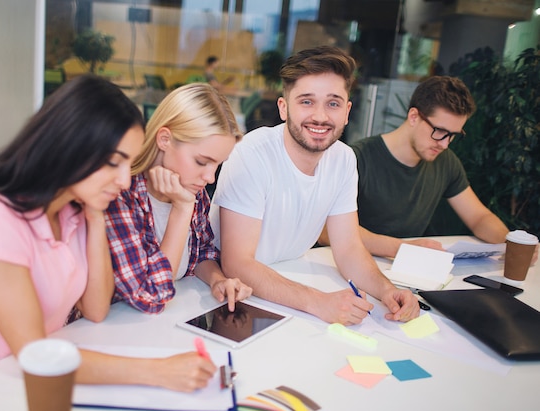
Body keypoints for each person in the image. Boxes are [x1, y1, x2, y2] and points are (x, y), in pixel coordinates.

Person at [0, 75, 217, 408]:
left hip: (28, 388)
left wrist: (95, 215)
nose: (122, 180)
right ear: (70, 146)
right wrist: (158, 371)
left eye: (128, 165)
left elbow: (96, 309)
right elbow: (35, 353)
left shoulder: (73, 213)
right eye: (113, 162)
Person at [209, 45, 419, 325]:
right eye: (306, 101)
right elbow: (236, 264)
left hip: (288, 284)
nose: (320, 116)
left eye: (332, 103)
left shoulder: (344, 159)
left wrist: (387, 290)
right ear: (283, 108)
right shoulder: (252, 153)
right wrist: (318, 301)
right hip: (231, 293)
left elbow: (348, 249)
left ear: (346, 111)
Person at [318, 76, 513, 258]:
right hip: (348, 266)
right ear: (413, 116)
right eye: (440, 131)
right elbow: (326, 230)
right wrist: (402, 249)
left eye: (453, 135)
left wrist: (511, 243)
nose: (445, 144)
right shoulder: (357, 158)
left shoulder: (446, 161)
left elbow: (479, 217)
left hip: (409, 270)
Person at [105, 83, 252, 314]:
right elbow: (152, 295)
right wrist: (182, 210)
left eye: (217, 165)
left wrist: (217, 280)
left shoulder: (192, 187)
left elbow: (201, 252)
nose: (210, 177)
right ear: (164, 139)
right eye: (202, 162)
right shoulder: (120, 196)